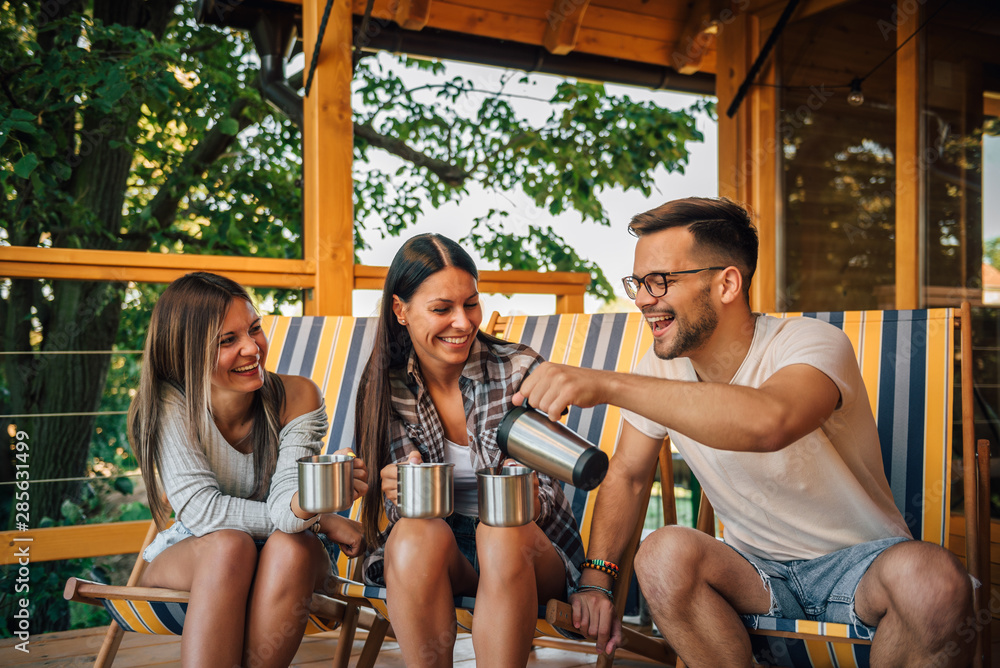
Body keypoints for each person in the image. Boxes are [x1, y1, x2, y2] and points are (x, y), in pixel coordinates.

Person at [514, 197, 975, 667]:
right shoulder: (662, 367)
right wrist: (596, 579)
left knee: (931, 578)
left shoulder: (810, 343)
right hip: (756, 576)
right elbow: (629, 475)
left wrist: (606, 383)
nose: (641, 299)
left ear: (727, 283)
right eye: (637, 282)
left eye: (659, 281)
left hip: (861, 569)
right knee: (661, 555)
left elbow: (768, 421)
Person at [354, 233, 585, 667]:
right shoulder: (386, 386)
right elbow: (408, 517)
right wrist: (398, 492)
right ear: (400, 311)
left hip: (530, 549)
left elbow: (549, 496)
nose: (462, 322)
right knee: (410, 535)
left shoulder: (519, 370)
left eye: (471, 304)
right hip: (448, 551)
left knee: (501, 527)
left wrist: (526, 491)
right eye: (442, 309)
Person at [129, 272, 368, 667]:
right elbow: (203, 513)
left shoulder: (297, 397)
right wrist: (321, 519)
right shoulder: (168, 404)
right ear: (184, 352)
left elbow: (285, 508)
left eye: (255, 329)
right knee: (229, 545)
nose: (252, 348)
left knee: (290, 545)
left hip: (291, 557)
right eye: (228, 341)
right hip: (200, 550)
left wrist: (314, 499)